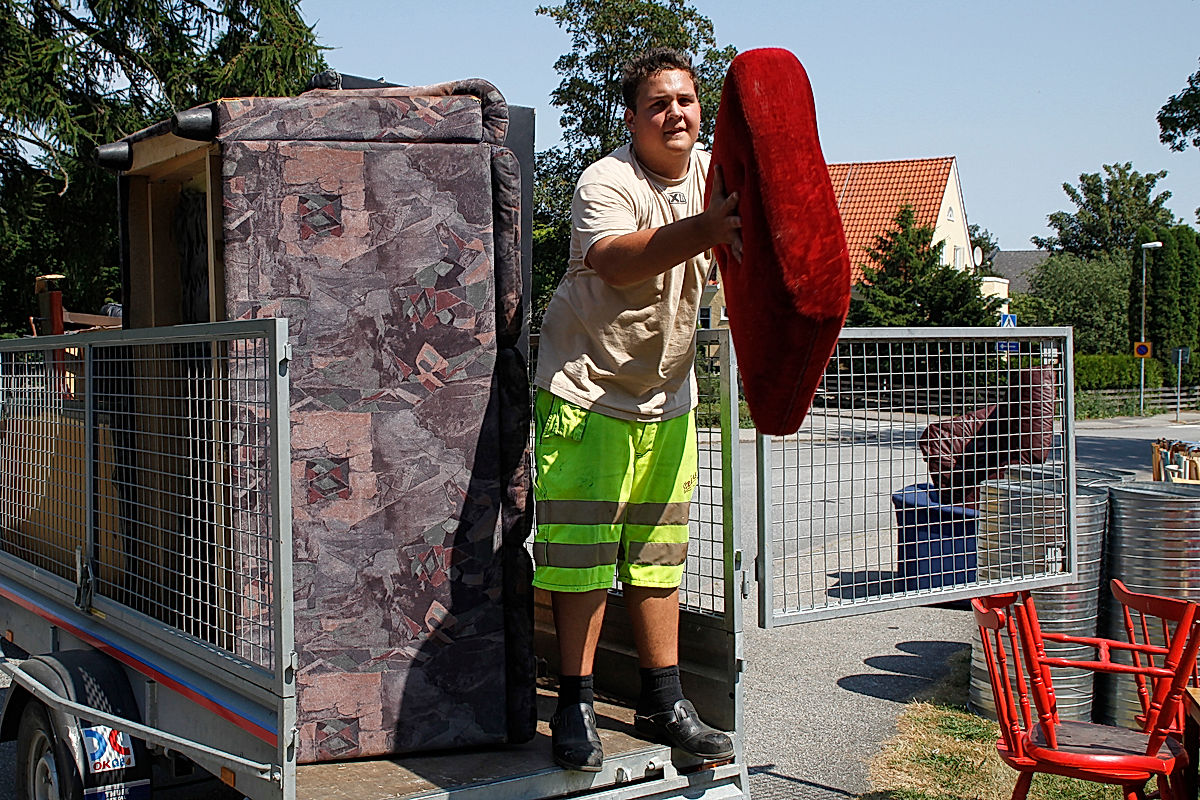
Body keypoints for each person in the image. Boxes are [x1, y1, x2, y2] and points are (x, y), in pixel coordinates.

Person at [532, 47, 743, 772]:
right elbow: (618, 260)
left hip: (668, 398)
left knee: (659, 555)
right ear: (632, 118)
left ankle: (664, 699)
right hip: (586, 391)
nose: (675, 114)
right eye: (658, 104)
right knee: (580, 558)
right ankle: (575, 703)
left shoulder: (716, 174)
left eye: (685, 100)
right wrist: (709, 231)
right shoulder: (607, 179)